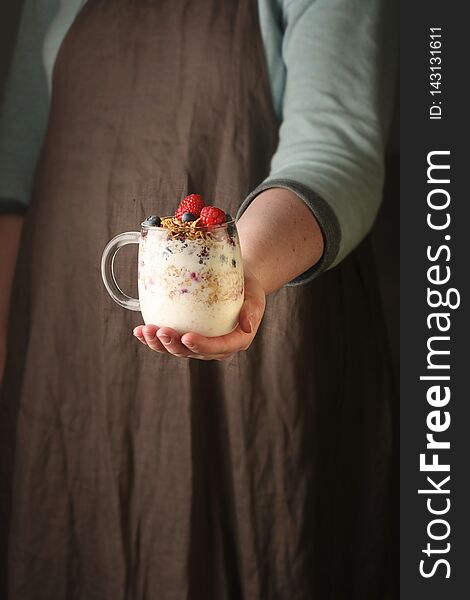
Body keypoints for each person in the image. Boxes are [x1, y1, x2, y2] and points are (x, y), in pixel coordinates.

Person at [0, 0, 398, 598]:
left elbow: (338, 151)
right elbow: (13, 180)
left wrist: (241, 279)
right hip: (66, 361)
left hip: (259, 356)